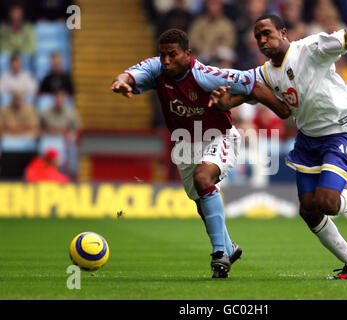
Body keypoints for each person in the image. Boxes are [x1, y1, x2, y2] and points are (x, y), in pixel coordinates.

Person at [211, 14, 347, 280]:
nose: (262, 40)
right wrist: (224, 101)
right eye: (257, 36)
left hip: (339, 132)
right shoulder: (264, 73)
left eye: (267, 33)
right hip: (308, 139)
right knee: (308, 209)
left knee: (327, 202)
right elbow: (245, 90)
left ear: (283, 32)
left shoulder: (309, 49)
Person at [111, 28, 290, 278]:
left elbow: (253, 84)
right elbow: (129, 74)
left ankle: (219, 254)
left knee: (203, 178)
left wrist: (282, 110)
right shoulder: (156, 69)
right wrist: (122, 82)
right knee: (200, 201)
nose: (166, 60)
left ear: (188, 54)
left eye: (172, 55)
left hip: (220, 136)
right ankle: (229, 247)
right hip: (184, 144)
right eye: (163, 55)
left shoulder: (206, 75)